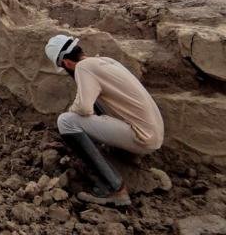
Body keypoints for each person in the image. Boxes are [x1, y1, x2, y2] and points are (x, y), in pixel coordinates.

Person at [44, 35, 164, 207]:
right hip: (153, 133)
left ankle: (115, 189)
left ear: (66, 63)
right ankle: (122, 158)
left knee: (66, 121)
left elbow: (84, 107)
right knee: (96, 106)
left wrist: (73, 110)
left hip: (142, 137)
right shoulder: (106, 61)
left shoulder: (83, 68)